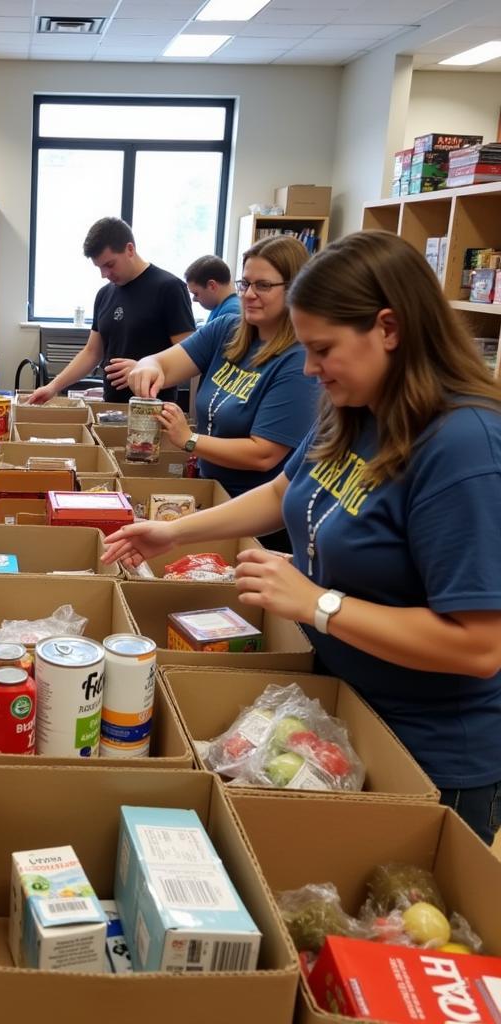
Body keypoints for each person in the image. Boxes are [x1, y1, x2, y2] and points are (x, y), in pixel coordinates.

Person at [103, 229, 501, 844]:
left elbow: (478, 647)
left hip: (428, 752)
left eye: (323, 349)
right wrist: (172, 533)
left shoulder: (462, 447)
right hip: (339, 708)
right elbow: (286, 492)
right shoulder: (358, 407)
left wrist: (317, 603)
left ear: (389, 329)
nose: (310, 368)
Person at [128, 236, 319, 548]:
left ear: (295, 289)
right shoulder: (227, 330)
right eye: (245, 284)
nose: (250, 295)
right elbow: (162, 362)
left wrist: (189, 439)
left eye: (264, 286)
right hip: (211, 492)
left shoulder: (299, 361)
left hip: (257, 517)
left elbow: (263, 454)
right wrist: (148, 368)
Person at [27, 217, 195, 405]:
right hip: (111, 410)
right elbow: (92, 352)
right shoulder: (104, 294)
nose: (104, 275)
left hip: (153, 410)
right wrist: (53, 387)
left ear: (130, 249)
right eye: (99, 268)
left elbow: (190, 358)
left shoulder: (169, 288)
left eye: (109, 265)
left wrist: (145, 369)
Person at [184, 254, 241, 322]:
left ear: (212, 286)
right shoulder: (221, 307)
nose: (194, 299)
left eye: (196, 294)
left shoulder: (231, 312)